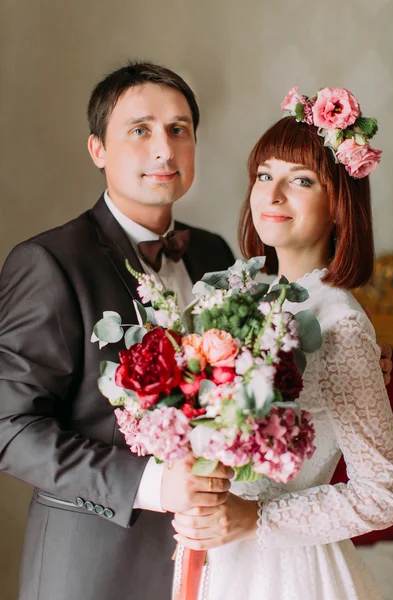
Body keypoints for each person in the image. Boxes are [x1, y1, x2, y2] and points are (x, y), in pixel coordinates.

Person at [0, 61, 235, 600]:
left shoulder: (213, 253)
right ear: (97, 150)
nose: (164, 149)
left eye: (179, 130)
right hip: (92, 565)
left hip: (213, 560)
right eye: (140, 130)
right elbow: (8, 426)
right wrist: (151, 484)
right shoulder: (49, 262)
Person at [171, 87, 393, 599]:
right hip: (216, 553)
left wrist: (254, 517)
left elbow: (384, 491)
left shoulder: (340, 321)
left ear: (339, 205)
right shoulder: (238, 296)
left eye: (300, 180)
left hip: (285, 569)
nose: (272, 195)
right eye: (263, 176)